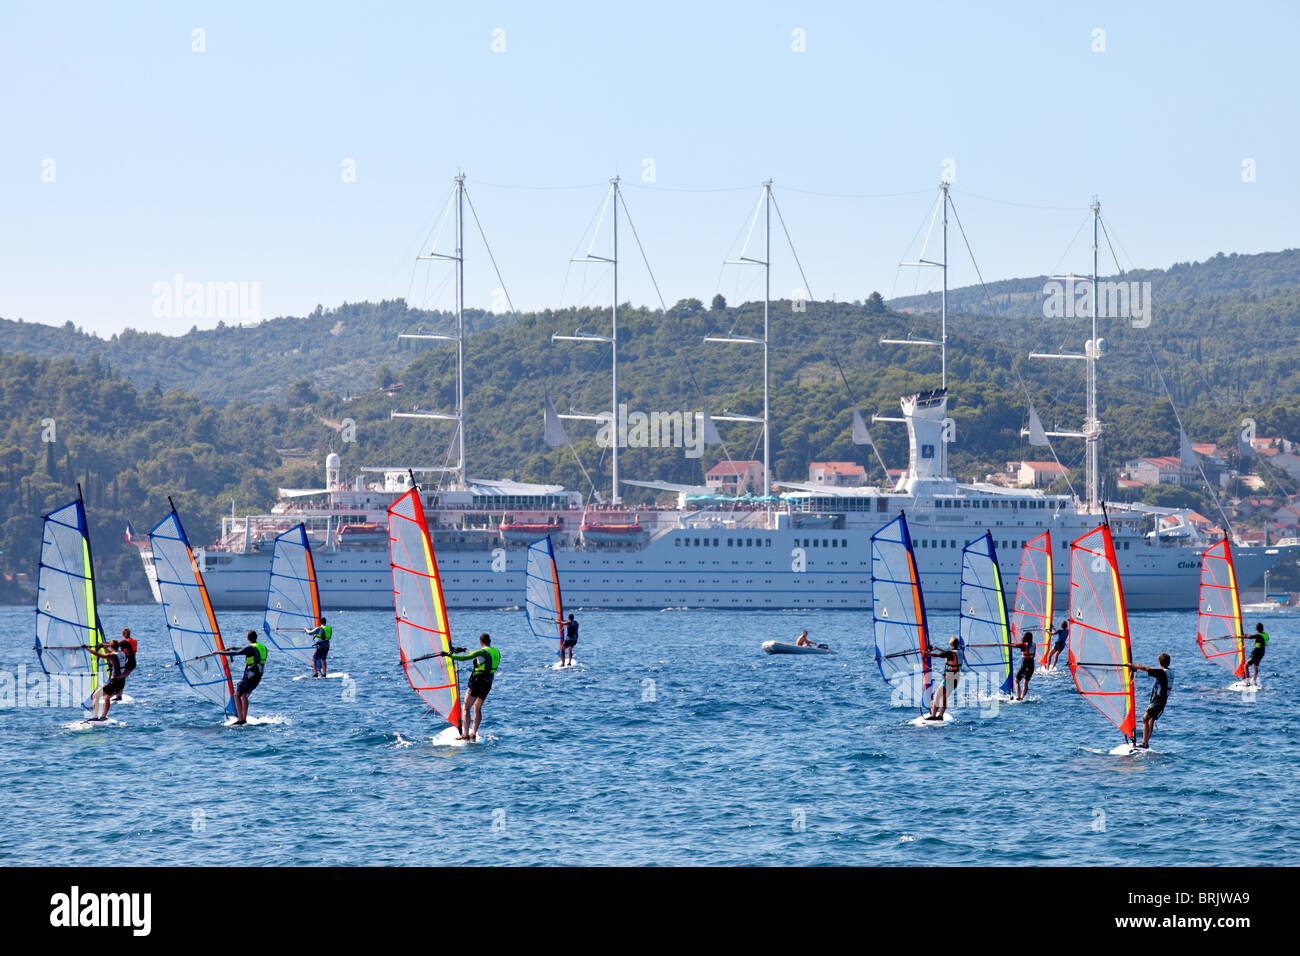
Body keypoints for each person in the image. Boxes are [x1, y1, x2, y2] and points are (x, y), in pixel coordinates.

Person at [446, 633, 500, 742]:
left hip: (477, 682)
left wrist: (448, 655)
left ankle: (465, 735)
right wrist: (464, 649)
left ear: (481, 642)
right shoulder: (496, 652)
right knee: (477, 707)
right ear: (490, 641)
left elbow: (466, 658)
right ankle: (473, 733)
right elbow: (479, 655)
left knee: (466, 707)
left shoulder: (481, 652)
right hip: (488, 683)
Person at [217, 630, 268, 725]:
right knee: (244, 695)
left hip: (250, 675)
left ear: (248, 638)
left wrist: (219, 652)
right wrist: (232, 648)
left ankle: (240, 719)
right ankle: (244, 719)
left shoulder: (249, 648)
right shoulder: (262, 647)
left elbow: (237, 653)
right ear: (256, 637)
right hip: (259, 675)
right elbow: (243, 649)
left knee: (236, 694)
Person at [1129, 653, 1171, 749]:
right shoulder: (1170, 672)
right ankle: (1146, 743)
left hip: (1157, 701)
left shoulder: (1161, 673)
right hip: (1163, 701)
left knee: (1145, 719)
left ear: (1159, 663)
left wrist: (1133, 666)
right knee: (1151, 719)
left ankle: (1144, 743)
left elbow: (1147, 668)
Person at [87, 639, 128, 721]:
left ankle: (95, 716)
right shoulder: (123, 654)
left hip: (114, 682)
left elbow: (98, 654)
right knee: (107, 697)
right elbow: (111, 651)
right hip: (122, 682)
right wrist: (103, 645)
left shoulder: (112, 656)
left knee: (95, 695)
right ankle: (103, 716)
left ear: (111, 647)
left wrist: (87, 648)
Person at [923, 637, 962, 720]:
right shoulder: (959, 652)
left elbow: (937, 655)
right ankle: (940, 716)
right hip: (956, 680)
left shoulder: (950, 653)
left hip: (948, 680)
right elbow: (947, 654)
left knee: (936, 697)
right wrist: (937, 648)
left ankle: (933, 716)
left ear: (950, 644)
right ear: (957, 644)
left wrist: (923, 652)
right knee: (944, 697)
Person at [113, 628, 137, 702]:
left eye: (122, 633)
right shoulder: (134, 641)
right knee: (121, 678)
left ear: (125, 634)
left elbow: (114, 645)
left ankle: (118, 696)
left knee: (118, 678)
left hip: (129, 662)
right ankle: (119, 696)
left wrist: (102, 645)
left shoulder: (125, 642)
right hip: (133, 661)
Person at [1014, 629, 1035, 700]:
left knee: (1016, 681)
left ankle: (1018, 697)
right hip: (1031, 666)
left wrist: (1001, 644)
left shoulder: (1024, 645)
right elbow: (1017, 645)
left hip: (1025, 666)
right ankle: (1022, 697)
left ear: (1025, 638)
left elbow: (1014, 645)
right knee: (1025, 682)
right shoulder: (1033, 645)